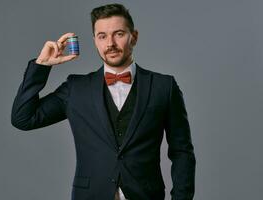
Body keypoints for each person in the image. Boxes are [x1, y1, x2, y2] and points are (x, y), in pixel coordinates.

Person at [11, 3, 196, 200]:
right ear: (95, 41)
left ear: (134, 37)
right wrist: (42, 65)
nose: (110, 44)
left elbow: (182, 151)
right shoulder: (76, 88)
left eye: (118, 34)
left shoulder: (164, 87)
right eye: (102, 36)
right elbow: (23, 118)